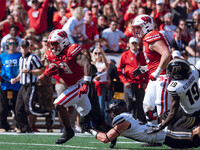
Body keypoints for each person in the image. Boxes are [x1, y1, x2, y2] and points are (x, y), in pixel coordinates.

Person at [38, 29, 116, 148]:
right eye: (51, 43)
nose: (52, 46)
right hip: (72, 85)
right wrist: (46, 73)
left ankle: (68, 130)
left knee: (58, 104)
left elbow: (87, 64)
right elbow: (54, 67)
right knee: (91, 116)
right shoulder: (51, 54)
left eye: (54, 43)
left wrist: (86, 83)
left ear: (63, 42)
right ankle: (112, 132)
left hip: (79, 83)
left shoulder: (72, 50)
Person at [86, 99, 200, 149]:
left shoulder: (121, 119)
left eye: (111, 112)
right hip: (165, 135)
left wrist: (90, 130)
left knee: (195, 138)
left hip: (166, 135)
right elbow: (110, 131)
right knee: (194, 138)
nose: (110, 114)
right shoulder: (126, 118)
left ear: (116, 110)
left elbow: (106, 138)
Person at [131, 15, 171, 127]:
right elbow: (157, 60)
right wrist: (145, 68)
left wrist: (157, 72)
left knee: (162, 109)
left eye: (138, 27)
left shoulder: (152, 35)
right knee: (147, 105)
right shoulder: (147, 37)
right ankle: (154, 133)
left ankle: (169, 135)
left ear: (146, 26)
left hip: (163, 75)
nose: (136, 30)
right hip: (156, 76)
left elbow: (166, 55)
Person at [145, 59, 200, 134]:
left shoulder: (175, 87)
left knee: (172, 133)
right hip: (192, 108)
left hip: (192, 115)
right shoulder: (194, 72)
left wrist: (160, 126)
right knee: (169, 121)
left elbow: (172, 113)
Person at [10, 40, 49, 133]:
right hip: (23, 86)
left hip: (31, 85)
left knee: (29, 108)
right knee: (18, 109)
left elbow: (41, 69)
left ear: (28, 48)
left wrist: (30, 71)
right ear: (20, 47)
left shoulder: (33, 57)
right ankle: (25, 128)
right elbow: (21, 73)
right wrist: (15, 79)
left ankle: (48, 113)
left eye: (25, 47)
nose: (23, 49)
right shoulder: (21, 59)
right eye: (22, 47)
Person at [117, 37, 147, 123]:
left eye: (135, 43)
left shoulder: (142, 55)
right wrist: (125, 81)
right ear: (129, 44)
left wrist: (145, 82)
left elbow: (147, 70)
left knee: (140, 104)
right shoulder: (125, 55)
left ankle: (141, 123)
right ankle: (128, 123)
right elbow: (119, 70)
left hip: (140, 83)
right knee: (128, 104)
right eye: (132, 43)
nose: (134, 45)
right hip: (129, 83)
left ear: (138, 44)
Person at [0, 37, 22, 132]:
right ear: (7, 45)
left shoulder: (20, 55)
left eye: (14, 44)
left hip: (16, 84)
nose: (12, 46)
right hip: (4, 84)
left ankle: (18, 125)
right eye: (10, 44)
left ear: (17, 45)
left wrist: (16, 78)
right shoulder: (2, 56)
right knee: (2, 107)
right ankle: (3, 126)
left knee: (17, 107)